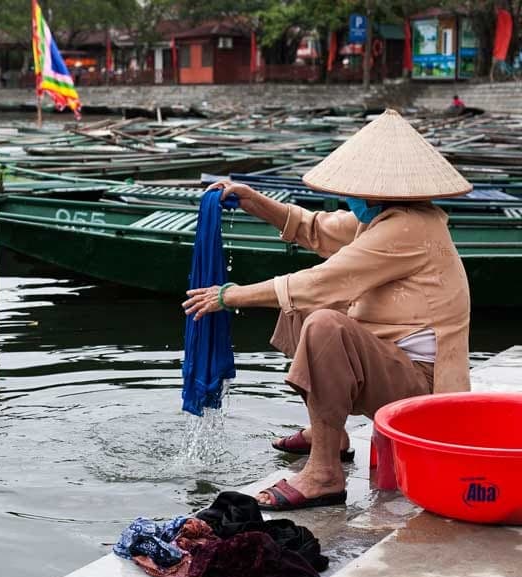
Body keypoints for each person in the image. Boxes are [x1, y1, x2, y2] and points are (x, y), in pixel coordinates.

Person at [183, 109, 471, 511]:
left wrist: (228, 295)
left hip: (426, 390)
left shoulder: (409, 229)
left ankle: (324, 473)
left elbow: (321, 282)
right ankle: (331, 437)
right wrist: (253, 200)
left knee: (322, 322)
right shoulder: (386, 217)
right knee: (299, 310)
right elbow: (315, 228)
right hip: (393, 364)